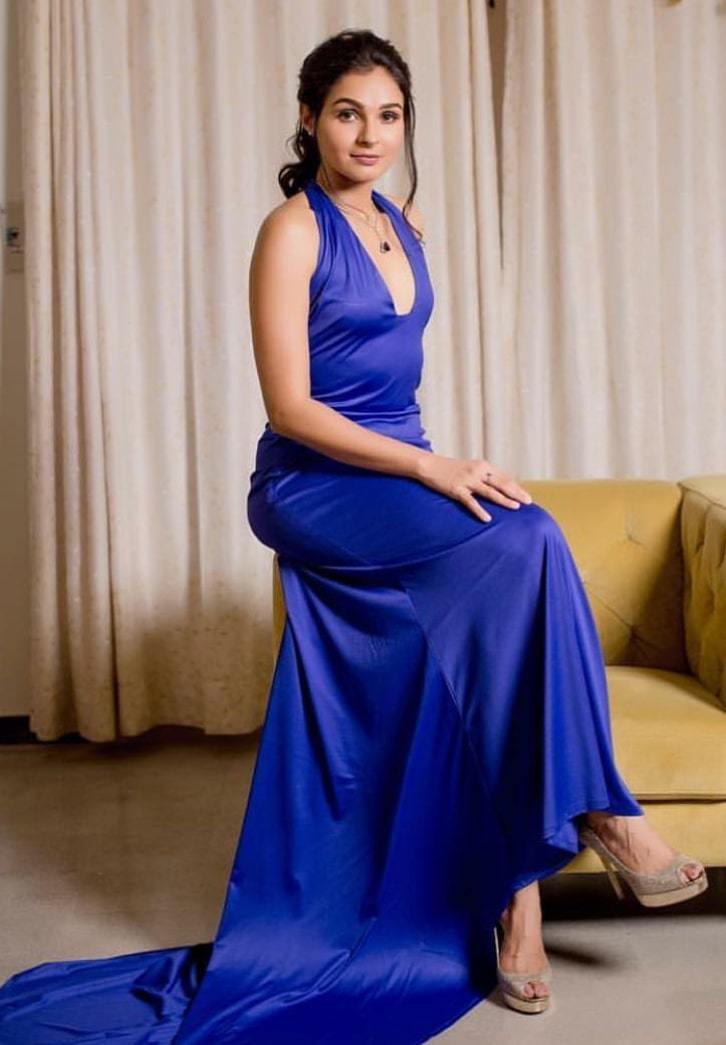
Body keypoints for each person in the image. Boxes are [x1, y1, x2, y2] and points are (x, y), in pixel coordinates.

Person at [0, 27, 708, 1045]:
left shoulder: (404, 224)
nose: (369, 135)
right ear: (309, 119)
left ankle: (523, 900)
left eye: (388, 115)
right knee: (523, 545)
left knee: (531, 550)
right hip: (312, 483)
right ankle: (602, 815)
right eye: (347, 113)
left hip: (393, 472)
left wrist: (424, 463)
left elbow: (391, 383)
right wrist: (431, 468)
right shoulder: (291, 232)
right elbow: (291, 407)